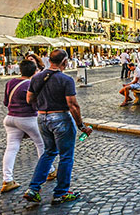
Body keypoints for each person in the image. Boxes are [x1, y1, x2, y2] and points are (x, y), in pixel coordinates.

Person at [23, 49, 92, 206]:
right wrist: (81, 126)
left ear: (50, 61)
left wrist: (44, 101)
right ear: (65, 62)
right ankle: (61, 193)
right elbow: (73, 105)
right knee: (66, 156)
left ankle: (33, 189)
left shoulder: (37, 77)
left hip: (42, 117)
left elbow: (29, 99)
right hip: (60, 117)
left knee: (48, 152)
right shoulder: (66, 79)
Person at [1, 60, 56, 193]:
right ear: (34, 71)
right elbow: (35, 104)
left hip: (10, 118)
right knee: (42, 144)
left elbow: (6, 102)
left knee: (11, 148)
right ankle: (50, 171)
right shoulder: (31, 84)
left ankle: (7, 180)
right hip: (28, 118)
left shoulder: (10, 82)